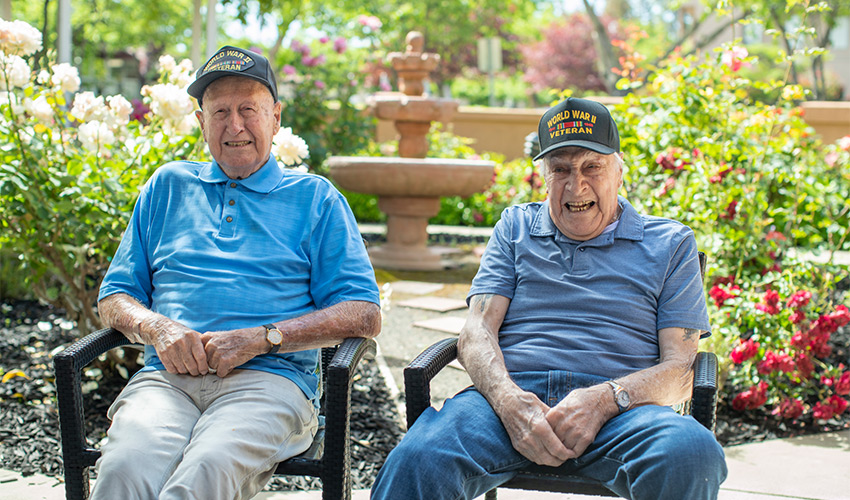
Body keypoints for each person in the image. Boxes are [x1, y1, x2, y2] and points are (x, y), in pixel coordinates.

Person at [371, 97, 727, 500]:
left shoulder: (670, 243)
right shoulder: (515, 227)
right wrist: (508, 402)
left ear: (619, 171)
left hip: (625, 412)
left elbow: (680, 369)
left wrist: (604, 400)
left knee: (691, 454)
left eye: (592, 166)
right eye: (561, 169)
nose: (577, 186)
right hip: (508, 403)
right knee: (418, 458)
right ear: (544, 176)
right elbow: (476, 331)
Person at [91, 46, 381, 500]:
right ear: (201, 122)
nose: (235, 126)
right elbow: (115, 296)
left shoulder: (315, 199)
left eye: (249, 110)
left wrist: (264, 337)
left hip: (270, 381)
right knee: (123, 472)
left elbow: (364, 314)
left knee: (206, 472)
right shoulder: (167, 186)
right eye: (220, 112)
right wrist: (157, 327)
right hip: (168, 379)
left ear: (276, 117)